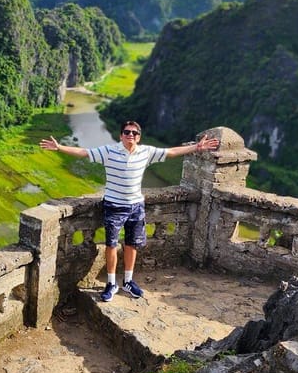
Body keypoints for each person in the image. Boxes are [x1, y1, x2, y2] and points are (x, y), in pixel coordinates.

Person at [39, 121, 220, 302]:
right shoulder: (109, 151)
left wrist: (197, 147)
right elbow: (84, 152)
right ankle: (111, 283)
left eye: (134, 133)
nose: (130, 135)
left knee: (132, 244)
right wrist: (59, 147)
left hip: (136, 207)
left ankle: (128, 281)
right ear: (121, 135)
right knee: (111, 245)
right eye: (127, 132)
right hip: (114, 206)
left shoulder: (145, 152)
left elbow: (171, 152)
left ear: (139, 137)